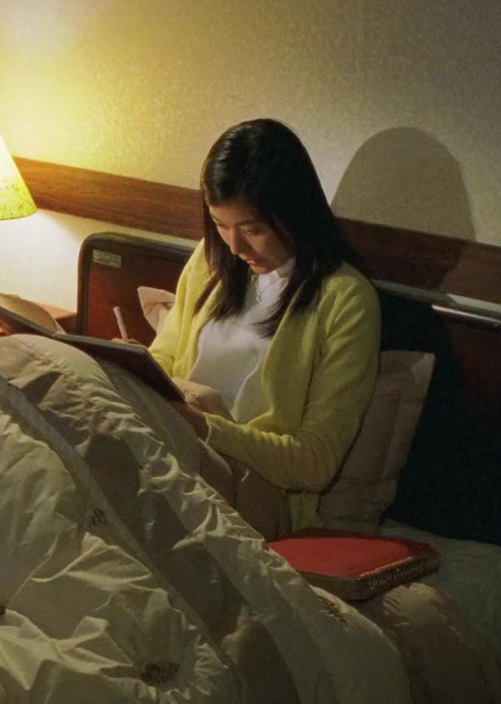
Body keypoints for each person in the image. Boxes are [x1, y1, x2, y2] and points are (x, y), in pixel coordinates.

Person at [149, 118, 380, 534]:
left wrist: (205, 428)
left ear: (293, 212)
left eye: (252, 229)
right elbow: (164, 358)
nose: (235, 246)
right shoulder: (211, 260)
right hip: (179, 446)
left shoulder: (346, 299)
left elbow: (314, 462)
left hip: (259, 486)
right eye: (220, 225)